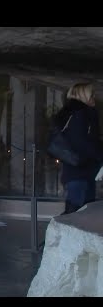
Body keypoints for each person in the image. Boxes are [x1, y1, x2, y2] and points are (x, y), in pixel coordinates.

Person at [53, 82, 103, 214]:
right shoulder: (82, 113)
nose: (94, 98)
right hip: (82, 171)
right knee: (77, 214)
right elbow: (83, 142)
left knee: (77, 212)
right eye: (91, 95)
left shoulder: (70, 112)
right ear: (83, 96)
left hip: (75, 171)